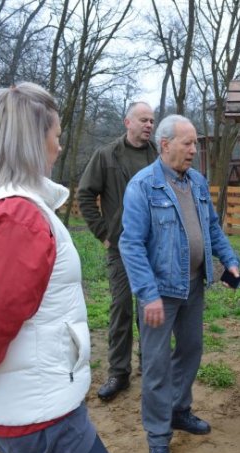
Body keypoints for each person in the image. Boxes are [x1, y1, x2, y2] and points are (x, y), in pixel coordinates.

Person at [0, 83, 111, 453]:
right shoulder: (18, 216)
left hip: (27, 402)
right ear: (33, 141)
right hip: (42, 416)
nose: (60, 146)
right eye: (56, 135)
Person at [119, 114, 240, 453]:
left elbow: (213, 228)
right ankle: (158, 437)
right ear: (165, 145)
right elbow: (131, 245)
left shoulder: (198, 183)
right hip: (159, 293)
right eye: (187, 143)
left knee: (191, 350)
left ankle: (178, 410)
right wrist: (148, 294)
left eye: (196, 143)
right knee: (156, 367)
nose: (194, 150)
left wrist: (229, 259)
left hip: (193, 286)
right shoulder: (143, 186)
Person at [77, 101, 158, 401]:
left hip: (153, 247)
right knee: (122, 306)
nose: (149, 124)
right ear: (128, 122)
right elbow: (85, 194)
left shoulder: (158, 157)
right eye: (143, 119)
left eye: (152, 120)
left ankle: (150, 368)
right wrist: (104, 233)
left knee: (150, 307)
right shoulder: (107, 156)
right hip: (121, 247)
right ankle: (118, 373)